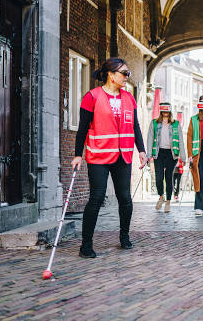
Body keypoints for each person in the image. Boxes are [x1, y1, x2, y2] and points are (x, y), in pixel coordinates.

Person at [71, 58, 148, 258]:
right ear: (111, 75)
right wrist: (78, 155)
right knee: (96, 198)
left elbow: (135, 126)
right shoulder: (92, 97)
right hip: (99, 155)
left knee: (125, 198)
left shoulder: (129, 98)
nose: (127, 77)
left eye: (128, 73)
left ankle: (124, 237)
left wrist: (141, 150)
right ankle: (86, 245)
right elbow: (82, 129)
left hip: (123, 154)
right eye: (124, 73)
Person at [146, 103, 185, 212]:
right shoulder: (154, 123)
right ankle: (161, 196)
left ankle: (168, 201)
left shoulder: (176, 124)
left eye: (167, 112)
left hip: (172, 154)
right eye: (163, 112)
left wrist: (184, 157)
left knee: (169, 178)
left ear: (170, 112)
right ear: (161, 112)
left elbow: (181, 141)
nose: (165, 114)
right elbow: (150, 139)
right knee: (159, 177)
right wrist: (149, 154)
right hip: (159, 153)